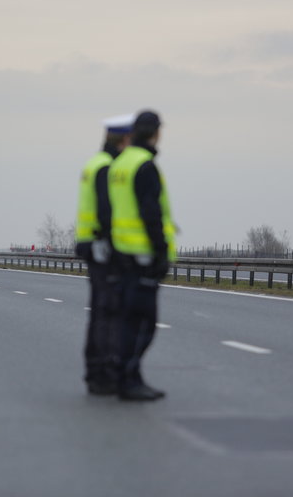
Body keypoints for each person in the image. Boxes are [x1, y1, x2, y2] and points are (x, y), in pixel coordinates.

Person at [108, 109, 176, 401]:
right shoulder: (144, 166)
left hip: (121, 254)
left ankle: (129, 376)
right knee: (143, 324)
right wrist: (161, 251)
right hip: (143, 256)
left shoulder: (120, 164)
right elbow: (151, 213)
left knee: (128, 320)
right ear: (155, 132)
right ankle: (128, 379)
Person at [75, 114, 134, 395]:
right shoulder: (106, 167)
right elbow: (106, 211)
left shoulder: (95, 163)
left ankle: (97, 371)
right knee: (107, 312)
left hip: (92, 245)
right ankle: (100, 373)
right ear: (124, 139)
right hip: (102, 249)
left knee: (101, 311)